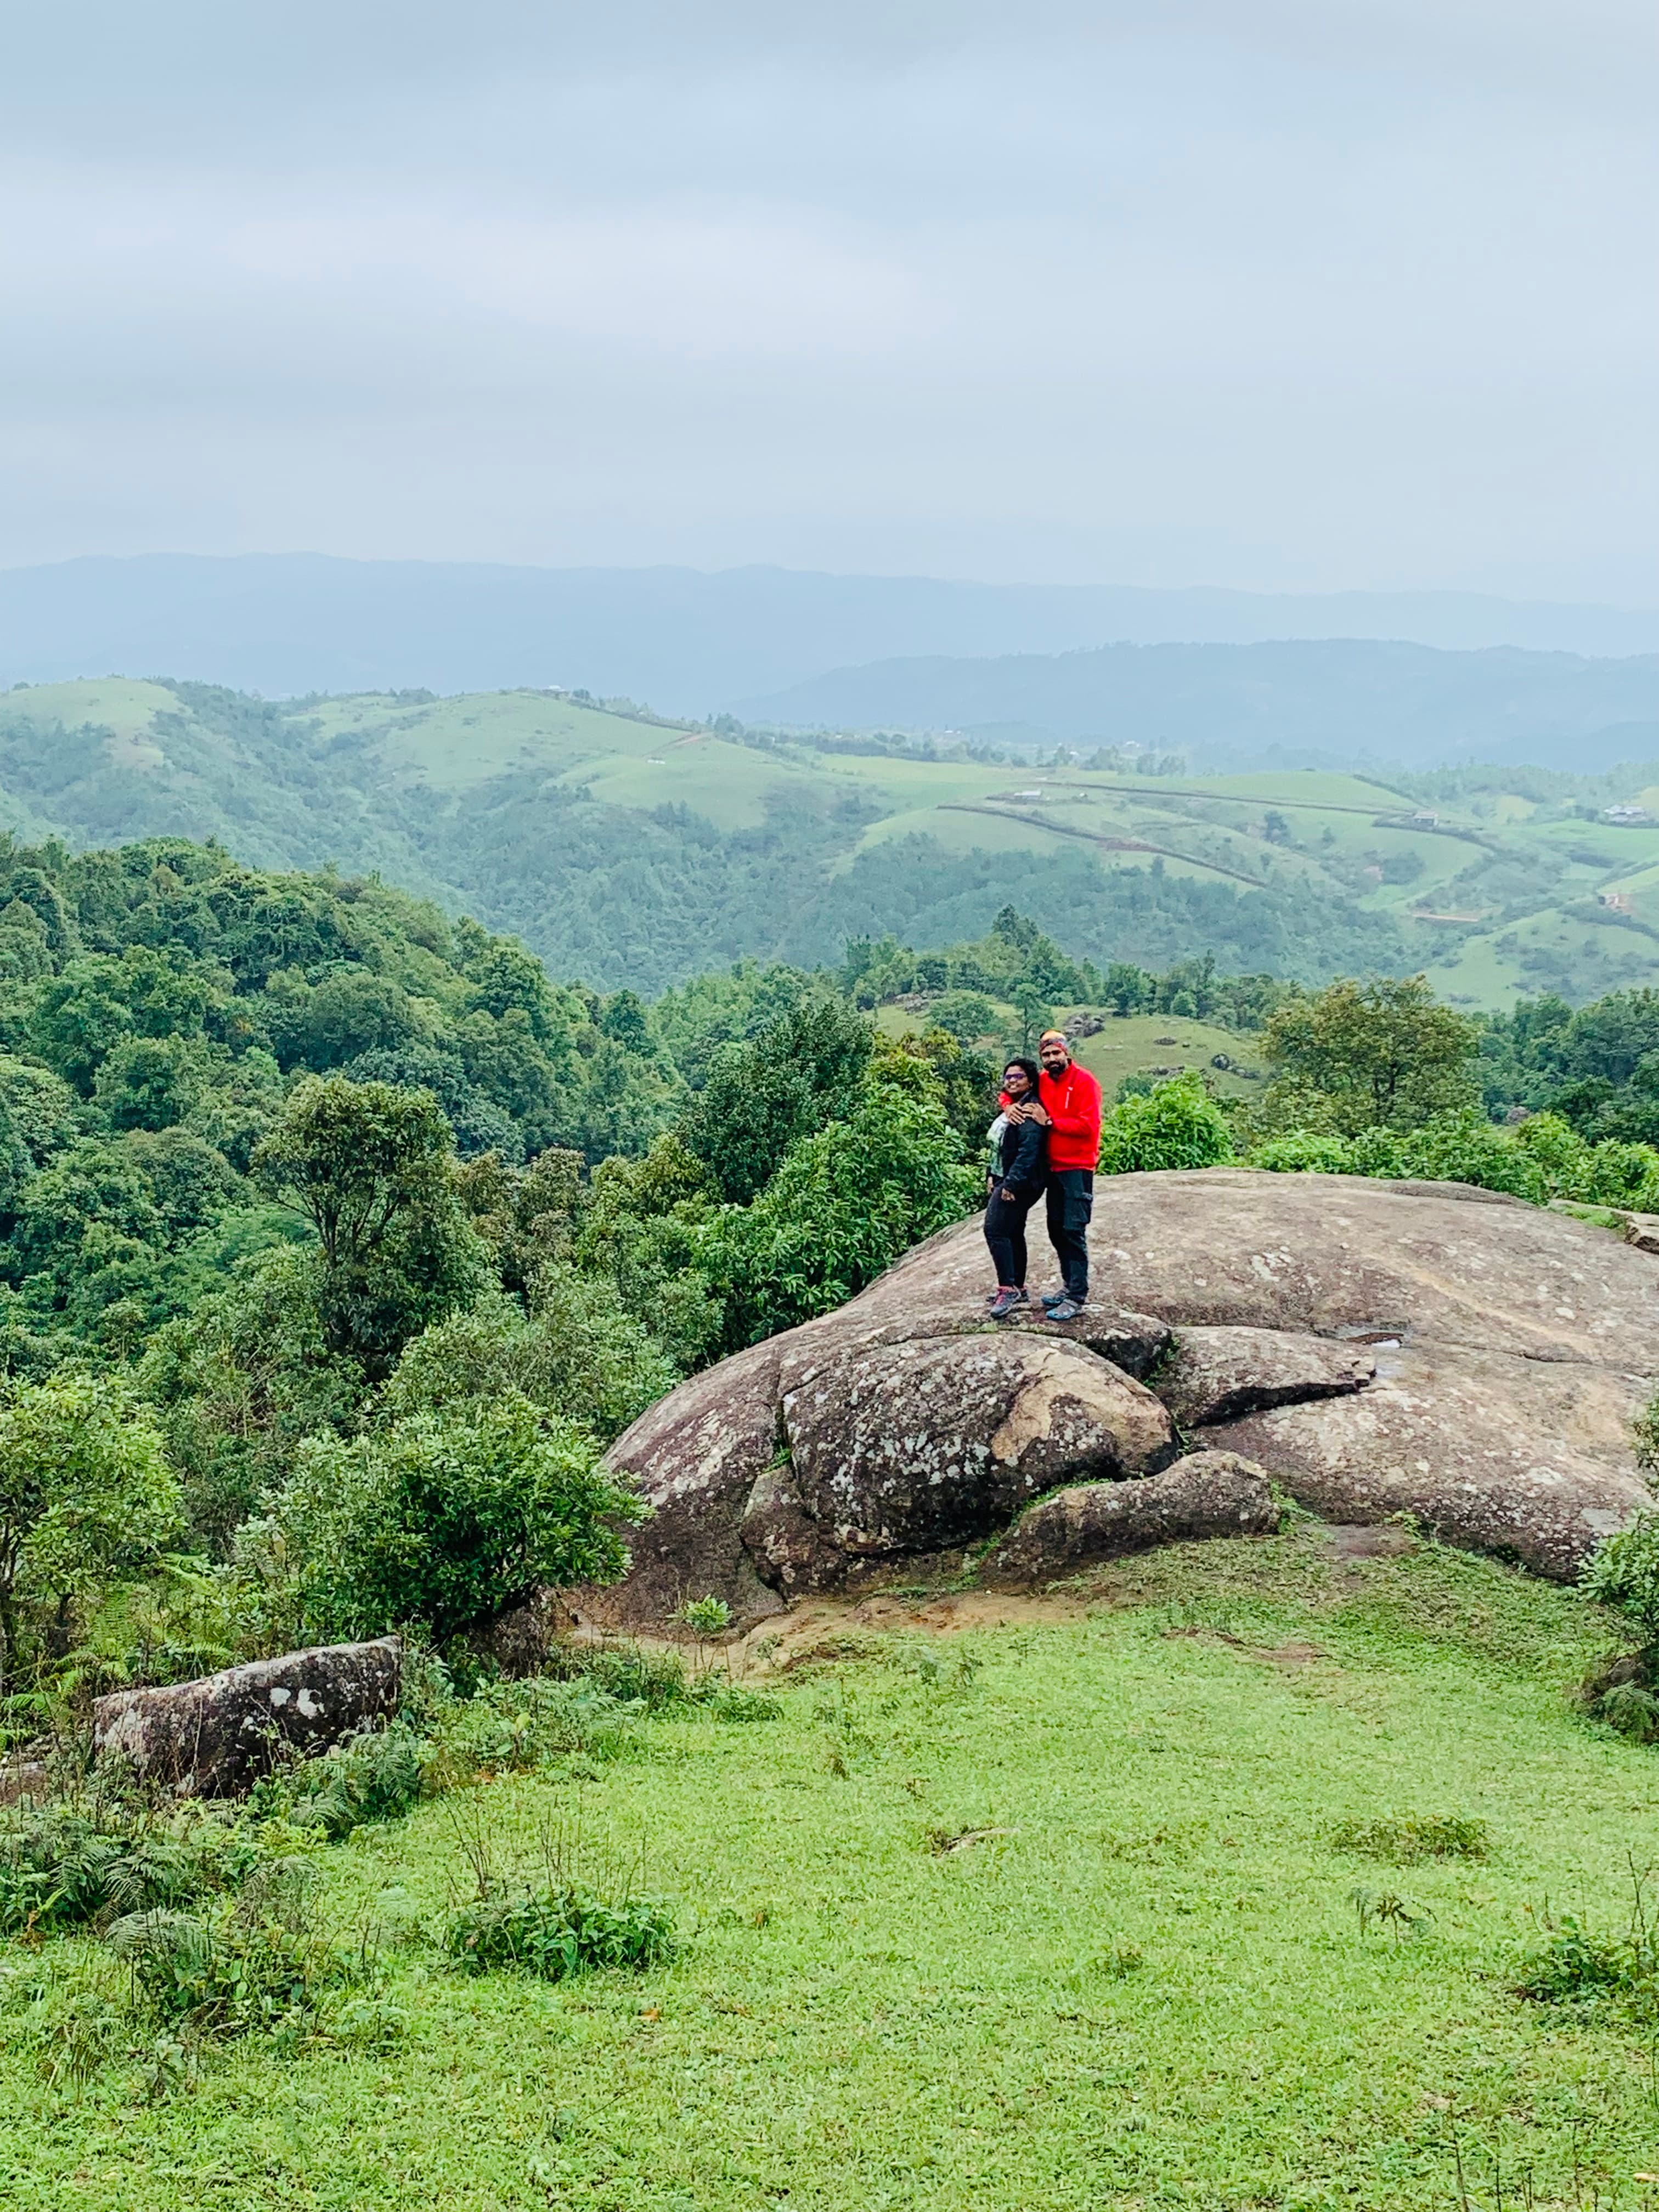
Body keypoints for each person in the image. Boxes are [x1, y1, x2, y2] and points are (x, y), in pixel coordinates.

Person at [1014, 1028, 1102, 1321]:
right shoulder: (1042, 1082)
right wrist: (1009, 1107)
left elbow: (1087, 1127)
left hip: (1077, 1168)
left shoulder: (1085, 1082)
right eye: (1046, 1055)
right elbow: (1010, 1088)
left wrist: (1050, 1121)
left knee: (1072, 1230)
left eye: (1056, 1053)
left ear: (1066, 1053)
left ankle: (1077, 1296)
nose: (1052, 1059)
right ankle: (1068, 1286)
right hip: (1053, 1168)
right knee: (1055, 1229)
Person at [982, 1057, 1047, 1318]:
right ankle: (1018, 1287)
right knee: (1013, 1231)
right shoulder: (1014, 1106)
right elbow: (998, 1146)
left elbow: (1029, 1152)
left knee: (995, 1230)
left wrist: (1011, 1184)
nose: (1012, 1081)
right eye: (1008, 1077)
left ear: (1031, 1081)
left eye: (1018, 1077)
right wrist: (991, 1174)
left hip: (1020, 1181)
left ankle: (1007, 1289)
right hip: (1005, 1177)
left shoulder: (1029, 1111)